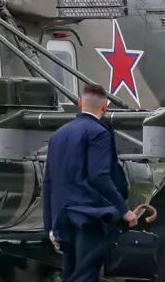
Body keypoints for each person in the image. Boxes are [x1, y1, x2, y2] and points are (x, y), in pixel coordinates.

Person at [43, 84, 137, 282]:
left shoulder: (57, 135)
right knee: (86, 274)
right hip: (89, 217)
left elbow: (49, 182)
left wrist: (49, 226)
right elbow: (99, 177)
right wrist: (124, 210)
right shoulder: (99, 132)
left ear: (79, 103)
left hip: (63, 217)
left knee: (70, 273)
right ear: (105, 108)